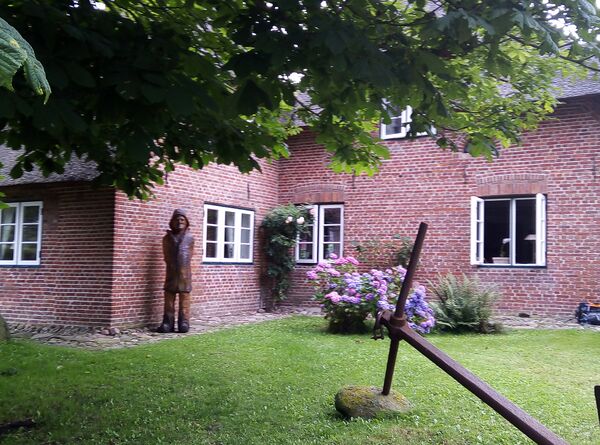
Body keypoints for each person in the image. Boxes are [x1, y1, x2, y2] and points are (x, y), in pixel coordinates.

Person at [157, 209, 195, 333]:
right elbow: (166, 256)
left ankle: (184, 322)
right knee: (169, 300)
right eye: (177, 219)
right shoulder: (167, 238)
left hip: (184, 275)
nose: (179, 222)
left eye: (182, 219)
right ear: (172, 222)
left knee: (184, 300)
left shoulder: (190, 238)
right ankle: (168, 323)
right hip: (171, 274)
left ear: (186, 222)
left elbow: (190, 255)